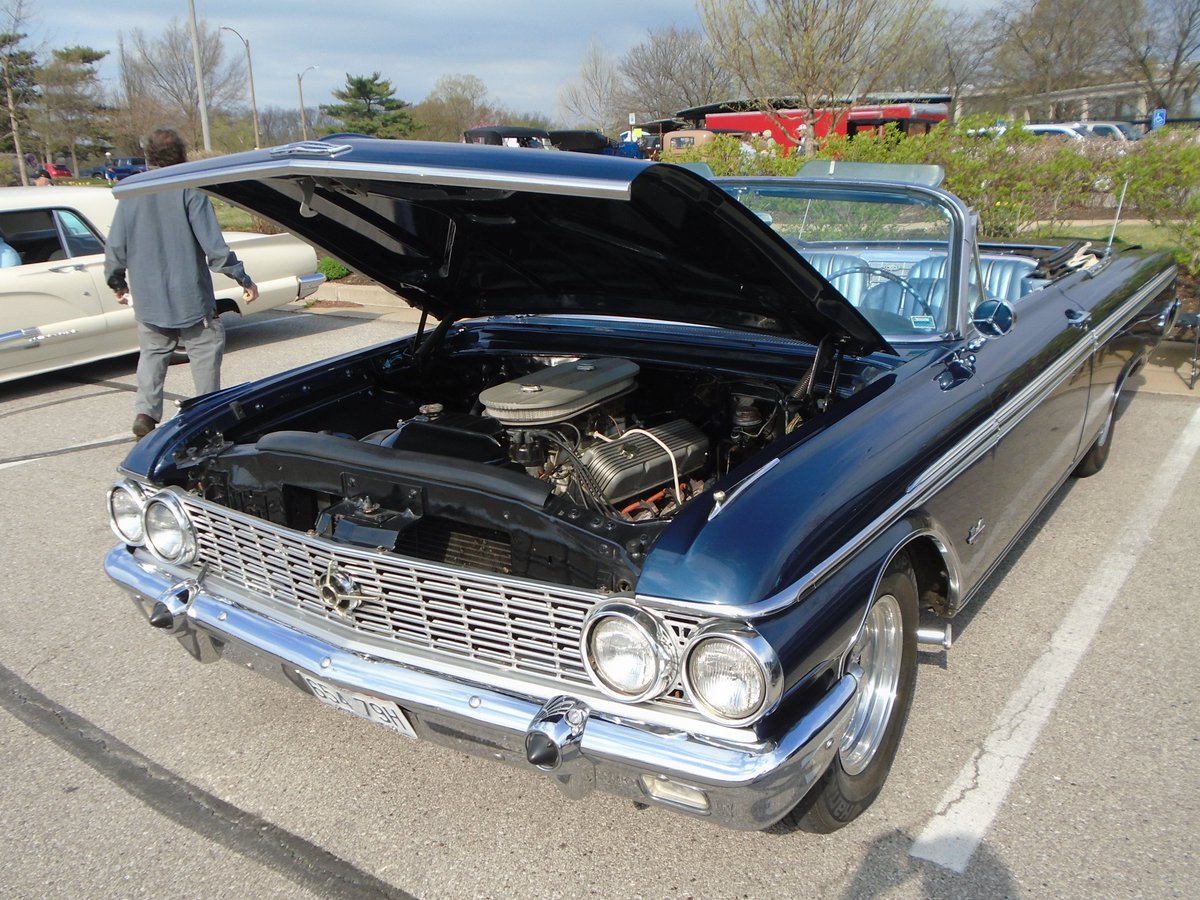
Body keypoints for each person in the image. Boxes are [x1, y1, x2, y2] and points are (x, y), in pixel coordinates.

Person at [104, 128, 259, 439]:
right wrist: (243, 278)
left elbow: (116, 245)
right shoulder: (189, 189)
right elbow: (214, 249)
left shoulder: (131, 191)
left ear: (149, 156)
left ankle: (146, 413)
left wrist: (116, 281)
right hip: (190, 297)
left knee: (153, 352)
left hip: (149, 298)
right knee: (206, 347)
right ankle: (206, 415)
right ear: (183, 155)